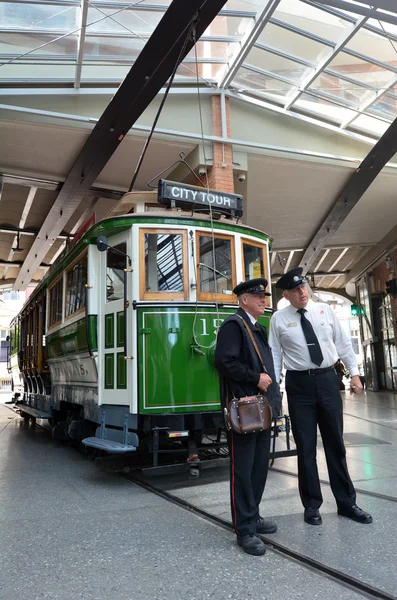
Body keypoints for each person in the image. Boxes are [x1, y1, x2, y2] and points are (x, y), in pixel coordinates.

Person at [269, 267, 372, 526]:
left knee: (335, 443)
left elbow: (344, 343)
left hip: (327, 380)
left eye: (303, 286)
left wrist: (355, 374)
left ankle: (347, 503)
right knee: (305, 447)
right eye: (295, 290)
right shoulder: (278, 319)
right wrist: (274, 389)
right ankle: (312, 505)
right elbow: (274, 355)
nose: (301, 292)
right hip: (299, 385)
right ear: (286, 295)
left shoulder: (324, 310)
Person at [215, 278, 282, 556]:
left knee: (258, 467)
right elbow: (224, 361)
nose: (263, 300)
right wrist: (255, 378)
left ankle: (252, 515)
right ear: (244, 299)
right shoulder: (234, 325)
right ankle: (244, 529)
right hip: (245, 411)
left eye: (264, 296)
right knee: (242, 470)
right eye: (258, 296)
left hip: (261, 409)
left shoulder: (256, 328)